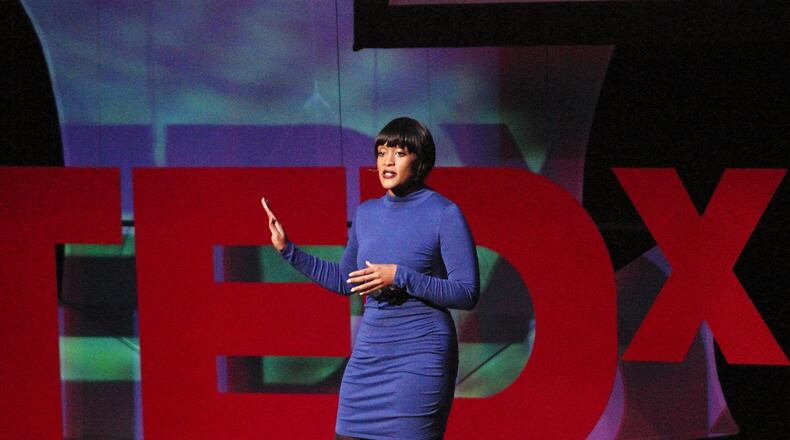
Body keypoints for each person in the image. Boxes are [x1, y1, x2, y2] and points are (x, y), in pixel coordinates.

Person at [261, 117, 480, 440]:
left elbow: (466, 292)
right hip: (370, 357)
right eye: (382, 152)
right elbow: (345, 280)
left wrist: (400, 276)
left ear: (420, 161)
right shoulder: (367, 213)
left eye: (400, 153)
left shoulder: (444, 214)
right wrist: (288, 250)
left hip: (420, 358)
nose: (387, 161)